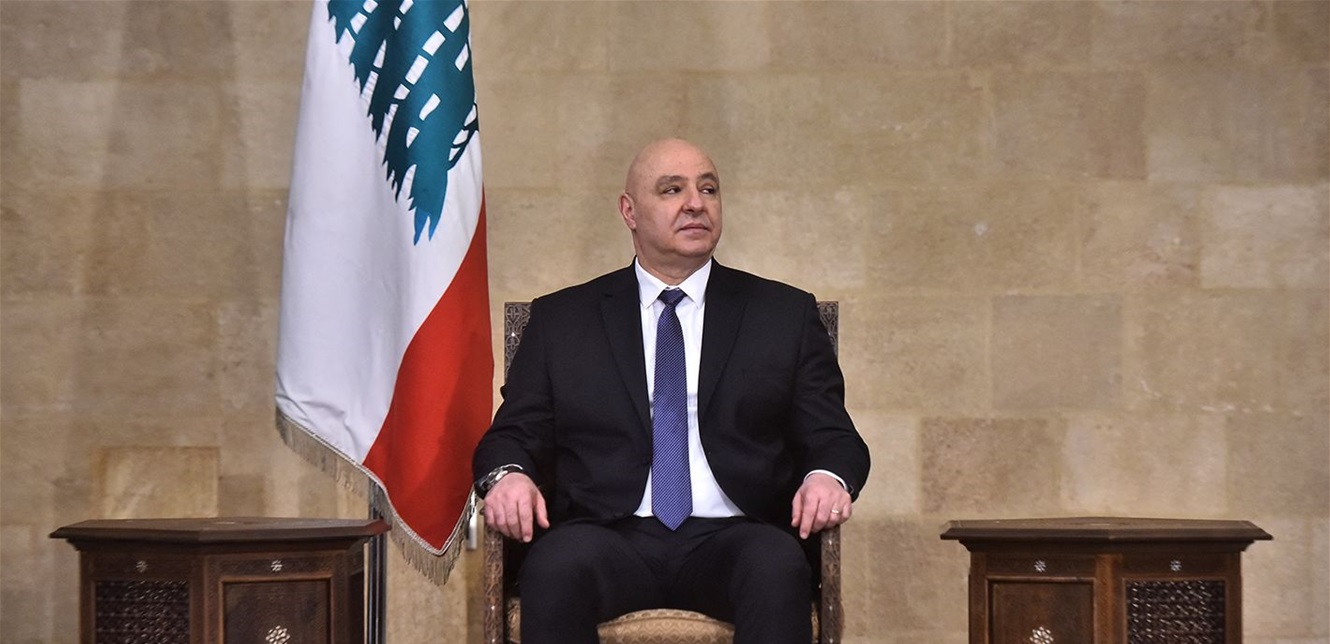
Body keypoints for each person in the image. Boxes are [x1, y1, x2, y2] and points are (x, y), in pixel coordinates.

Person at [472, 138, 870, 644]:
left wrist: (826, 478)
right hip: (604, 535)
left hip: (738, 536)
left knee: (777, 566)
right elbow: (512, 434)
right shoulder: (563, 320)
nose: (696, 203)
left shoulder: (783, 315)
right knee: (556, 568)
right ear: (629, 211)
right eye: (672, 190)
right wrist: (508, 477)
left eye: (709, 189)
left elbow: (834, 437)